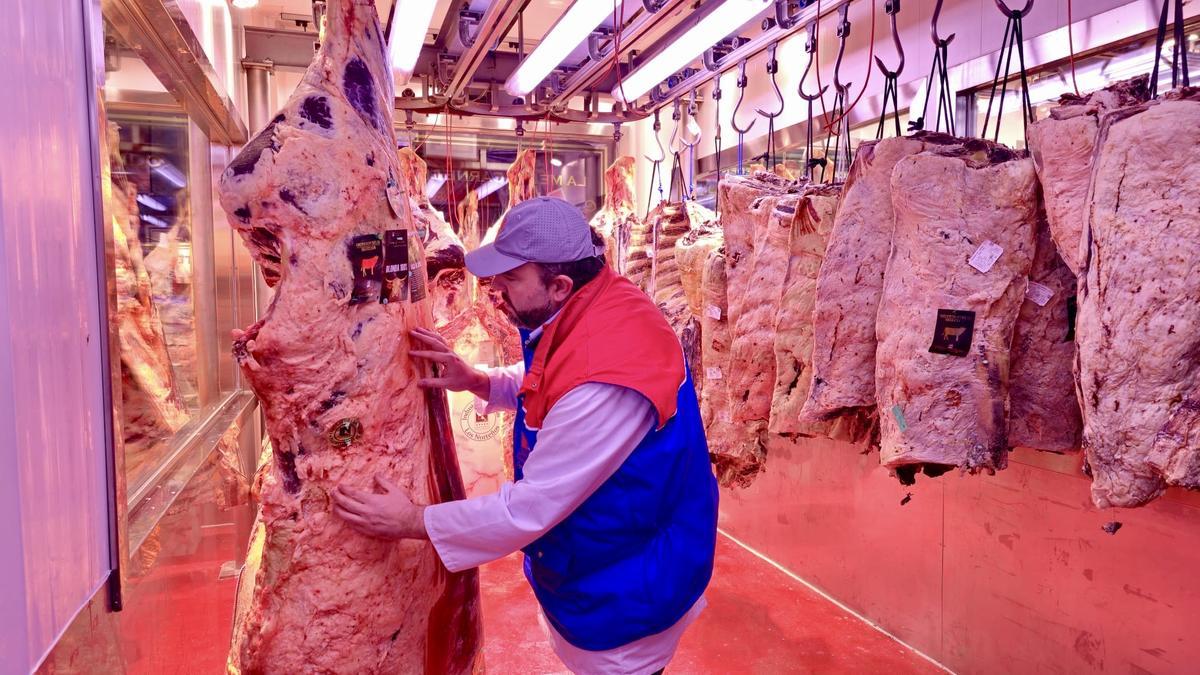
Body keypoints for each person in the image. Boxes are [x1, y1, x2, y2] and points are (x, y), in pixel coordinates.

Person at [332, 197, 719, 674]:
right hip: (607, 557)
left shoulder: (609, 375)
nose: (494, 289)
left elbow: (528, 508)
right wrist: (480, 381)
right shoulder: (596, 302)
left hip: (629, 585)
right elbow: (555, 373)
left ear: (558, 285)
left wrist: (414, 520)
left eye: (511, 278)